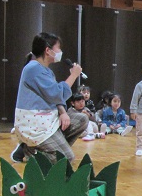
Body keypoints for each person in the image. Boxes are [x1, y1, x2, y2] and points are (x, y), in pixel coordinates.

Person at [10, 32, 88, 164]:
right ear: (48, 50)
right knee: (66, 159)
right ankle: (31, 152)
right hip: (35, 123)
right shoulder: (33, 69)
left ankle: (44, 148)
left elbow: (54, 97)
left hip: (47, 119)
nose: (60, 51)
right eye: (58, 48)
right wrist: (74, 75)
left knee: (81, 119)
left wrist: (63, 113)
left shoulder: (46, 70)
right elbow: (56, 94)